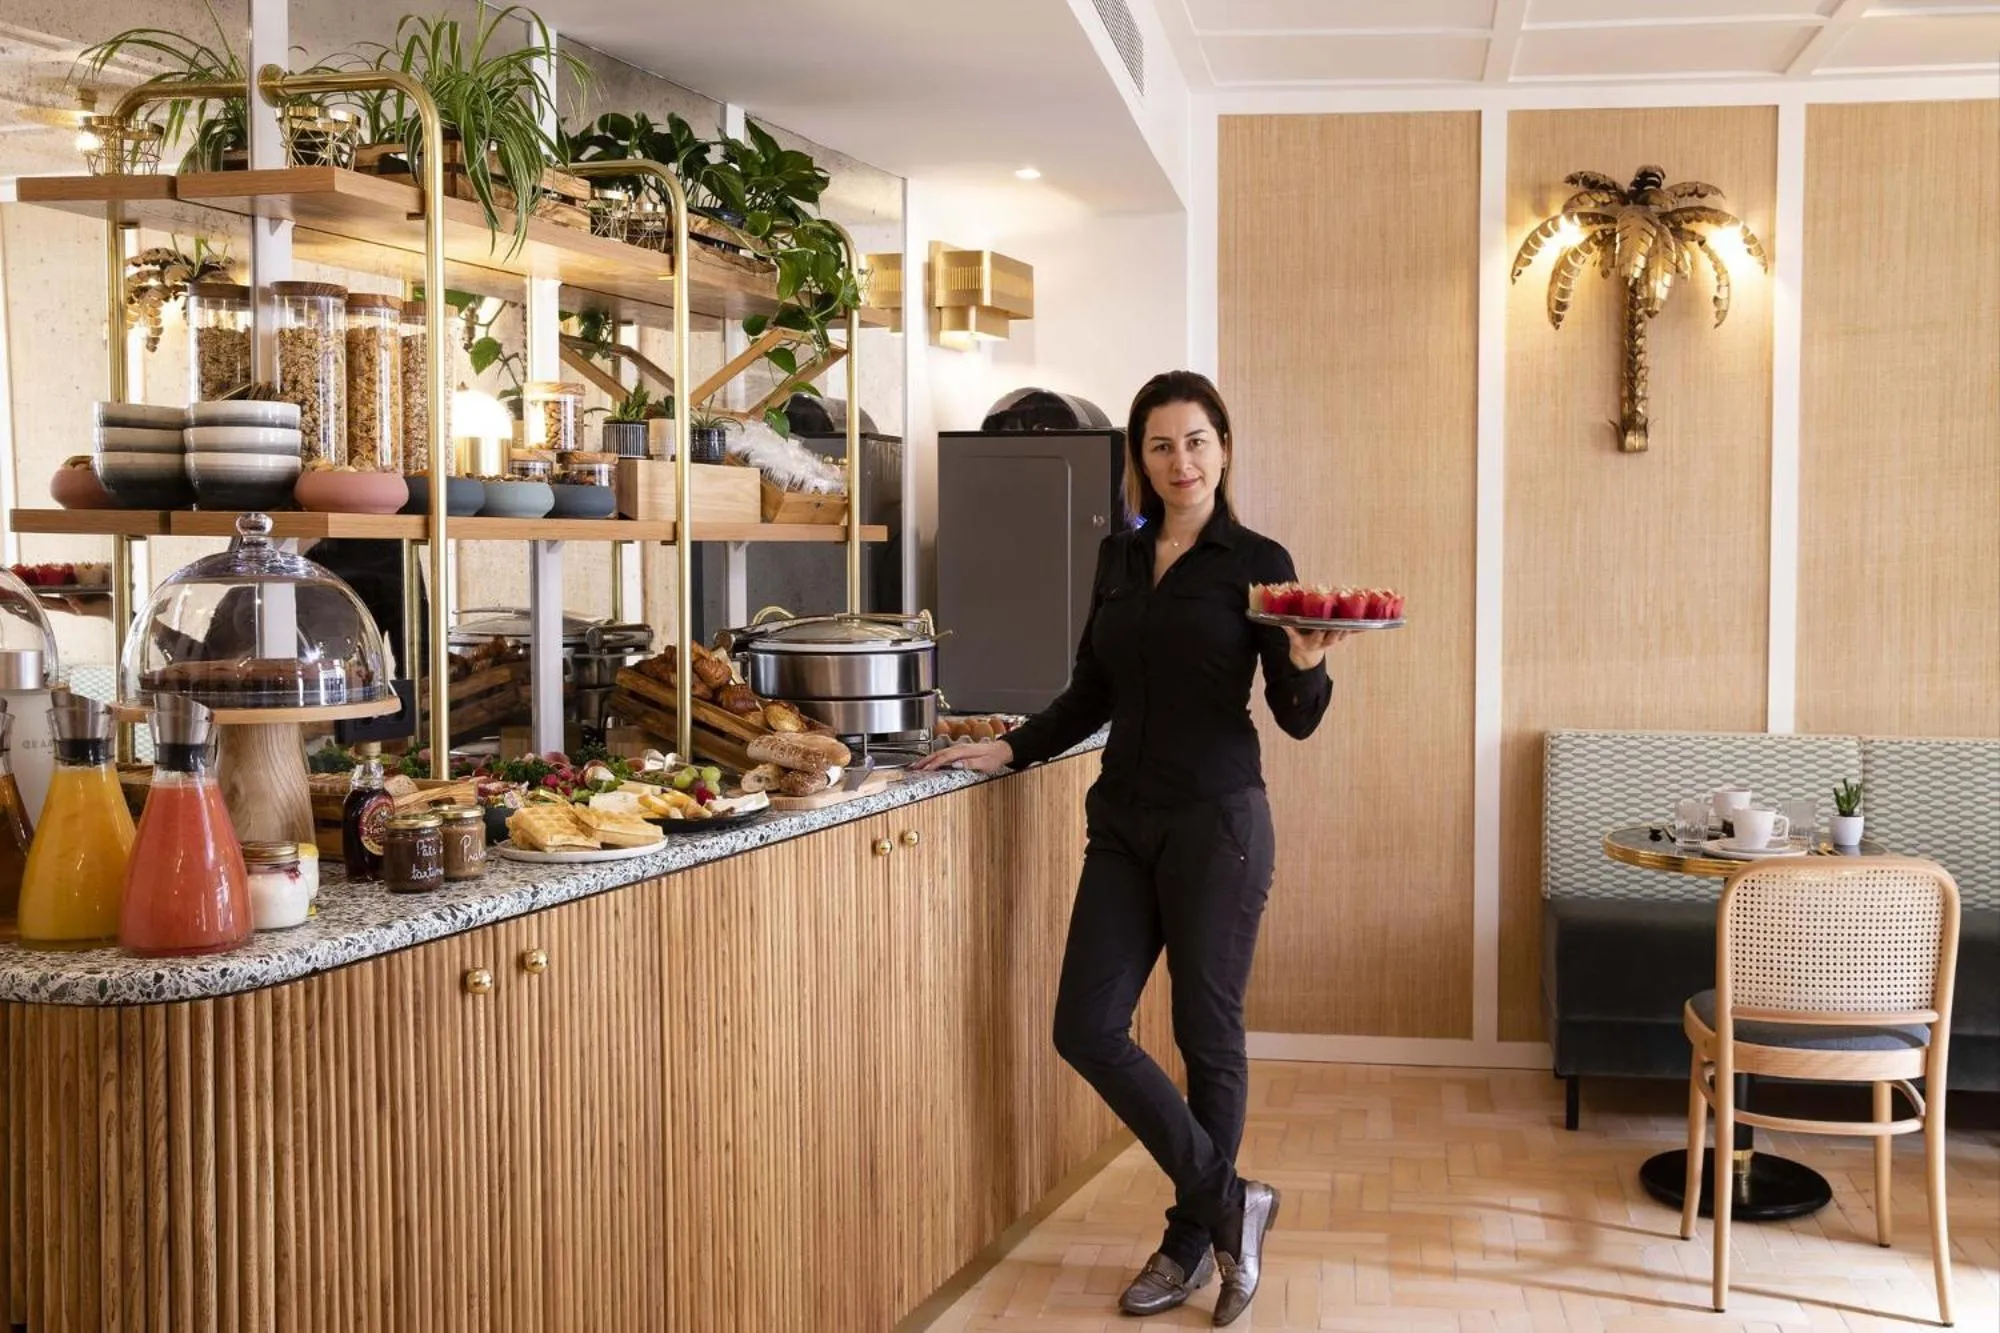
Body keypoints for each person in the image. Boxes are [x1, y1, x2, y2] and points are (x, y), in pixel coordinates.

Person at [916, 370, 1347, 1325]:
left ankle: (1192, 1241)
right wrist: (1010, 743)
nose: (1179, 461)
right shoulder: (1118, 557)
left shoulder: (1258, 562)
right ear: (1139, 460)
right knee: (1086, 1025)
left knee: (1207, 1036)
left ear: (1224, 448)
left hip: (1217, 824)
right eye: (1160, 445)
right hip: (1121, 824)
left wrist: (1310, 666)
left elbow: (1295, 716)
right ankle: (1234, 1203)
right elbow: (1087, 695)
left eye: (1196, 441)